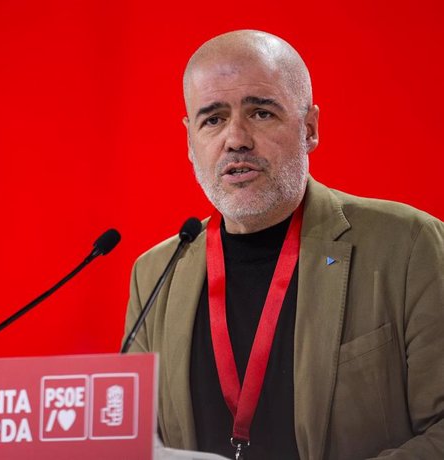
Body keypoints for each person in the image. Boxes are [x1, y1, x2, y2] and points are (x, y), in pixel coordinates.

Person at [123, 30, 444, 460]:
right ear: (189, 141)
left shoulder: (408, 245)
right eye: (213, 119)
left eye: (260, 113)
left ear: (309, 128)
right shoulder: (155, 274)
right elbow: (133, 441)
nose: (235, 139)